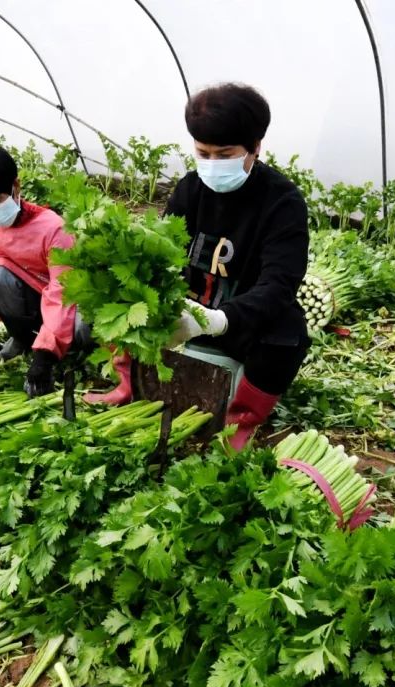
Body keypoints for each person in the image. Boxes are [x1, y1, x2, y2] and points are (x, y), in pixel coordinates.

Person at [92, 83, 311, 449]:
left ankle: (240, 423)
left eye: (224, 154)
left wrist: (219, 319)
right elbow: (162, 259)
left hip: (238, 322)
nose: (211, 165)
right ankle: (128, 384)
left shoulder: (282, 202)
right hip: (184, 313)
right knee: (120, 294)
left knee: (287, 335)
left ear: (255, 147)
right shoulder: (190, 190)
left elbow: (279, 284)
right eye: (202, 153)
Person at [0, 146, 80, 398]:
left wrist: (45, 357)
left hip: (64, 308)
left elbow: (63, 293)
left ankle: (56, 349)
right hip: (27, 307)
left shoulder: (54, 229)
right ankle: (22, 339)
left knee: (83, 328)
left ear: (16, 186)